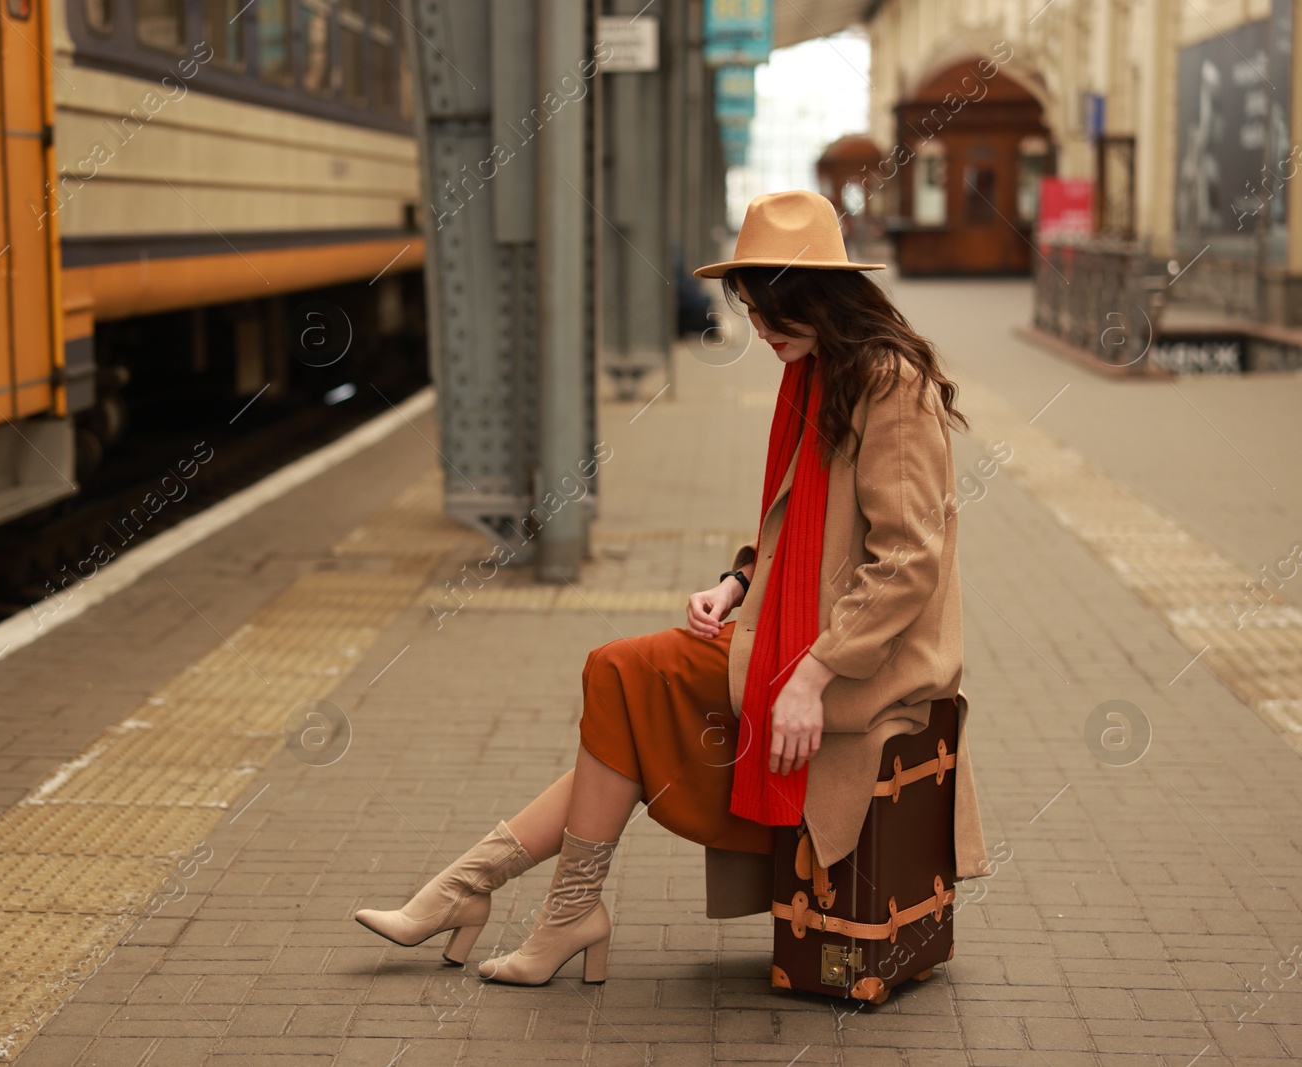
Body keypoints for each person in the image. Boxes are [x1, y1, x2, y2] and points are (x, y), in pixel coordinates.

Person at [354, 189, 984, 986]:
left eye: (771, 311)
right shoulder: (823, 371)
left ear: (817, 297)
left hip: (867, 665)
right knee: (627, 691)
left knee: (621, 674)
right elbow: (801, 530)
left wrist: (812, 677)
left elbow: (907, 559)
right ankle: (502, 898)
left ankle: (490, 896)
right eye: (752, 312)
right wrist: (735, 581)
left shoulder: (888, 384)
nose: (759, 329)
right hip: (795, 634)